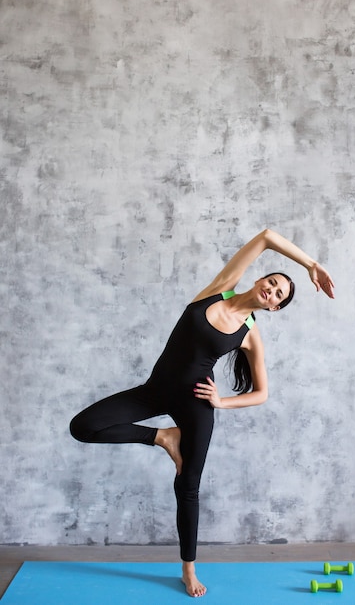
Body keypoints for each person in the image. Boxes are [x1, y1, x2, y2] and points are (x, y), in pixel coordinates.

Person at [69, 228, 335, 598]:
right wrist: (311, 264)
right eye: (272, 282)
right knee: (82, 426)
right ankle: (163, 437)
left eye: (278, 295)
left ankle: (188, 570)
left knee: (187, 487)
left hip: (195, 405)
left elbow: (262, 393)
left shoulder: (249, 335)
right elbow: (268, 237)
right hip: (153, 392)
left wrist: (221, 402)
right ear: (260, 278)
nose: (271, 290)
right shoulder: (220, 287)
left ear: (273, 308)